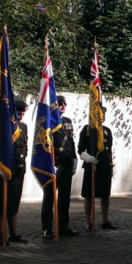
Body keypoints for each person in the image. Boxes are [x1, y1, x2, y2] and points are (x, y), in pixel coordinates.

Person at [0, 98, 29, 244]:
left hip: (17, 169)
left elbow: (24, 146)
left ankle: (13, 234)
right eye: (18, 112)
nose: (20, 116)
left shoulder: (23, 127)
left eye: (22, 113)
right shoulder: (2, 126)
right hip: (2, 169)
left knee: (13, 203)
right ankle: (0, 235)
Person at [40, 95, 79, 238]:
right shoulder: (47, 122)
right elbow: (43, 144)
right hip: (54, 164)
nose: (63, 106)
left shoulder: (67, 121)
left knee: (65, 197)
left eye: (64, 103)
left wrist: (74, 159)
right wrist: (49, 164)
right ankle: (47, 227)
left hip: (66, 163)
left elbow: (71, 141)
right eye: (60, 103)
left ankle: (63, 225)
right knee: (49, 197)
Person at [78, 105, 117, 231]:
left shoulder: (107, 130)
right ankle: (89, 221)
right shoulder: (88, 129)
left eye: (103, 115)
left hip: (104, 166)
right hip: (91, 165)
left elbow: (108, 149)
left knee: (105, 194)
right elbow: (80, 150)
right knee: (89, 194)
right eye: (100, 115)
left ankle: (105, 220)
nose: (102, 117)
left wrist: (111, 165)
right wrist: (88, 158)